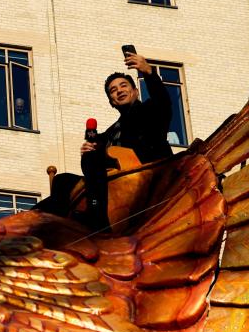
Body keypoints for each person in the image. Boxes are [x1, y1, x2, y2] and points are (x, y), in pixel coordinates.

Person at [36, 51, 174, 228]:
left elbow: (163, 102)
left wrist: (148, 72)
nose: (119, 91)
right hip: (111, 178)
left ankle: (97, 215)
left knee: (94, 157)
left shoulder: (148, 111)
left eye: (123, 86)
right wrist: (88, 149)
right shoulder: (110, 132)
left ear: (135, 92)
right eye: (113, 91)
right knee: (62, 181)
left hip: (145, 170)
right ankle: (35, 224)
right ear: (112, 102)